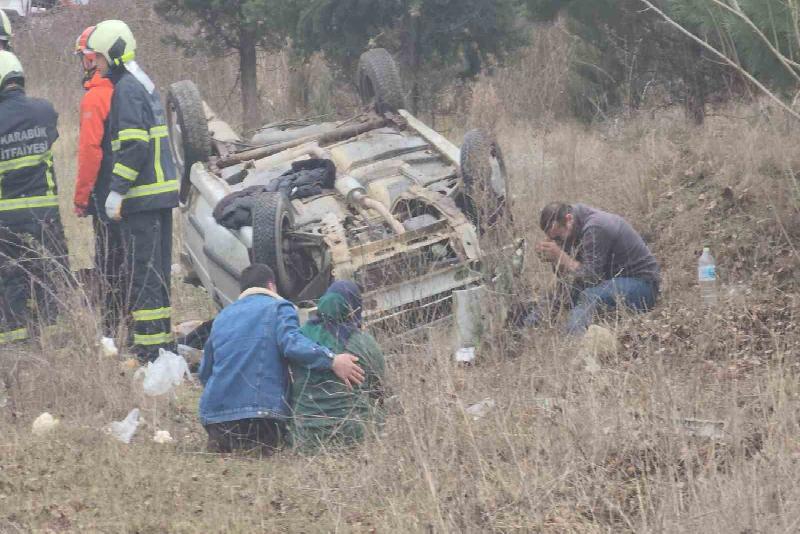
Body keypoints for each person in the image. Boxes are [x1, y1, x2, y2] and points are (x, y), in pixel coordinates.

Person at [84, 20, 179, 361]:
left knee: (145, 274)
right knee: (156, 272)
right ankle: (161, 343)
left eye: (98, 58)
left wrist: (117, 190)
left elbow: (134, 145)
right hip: (160, 194)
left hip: (142, 197)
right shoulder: (143, 83)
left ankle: (150, 350)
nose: (95, 64)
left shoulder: (125, 89)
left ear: (113, 53)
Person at [198, 264, 365, 455]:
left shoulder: (222, 317)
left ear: (242, 290)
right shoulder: (279, 307)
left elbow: (204, 372)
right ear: (271, 286)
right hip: (259, 420)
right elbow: (292, 344)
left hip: (215, 422)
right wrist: (332, 359)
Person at [0, 51, 69, 345]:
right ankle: (57, 343)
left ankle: (18, 348)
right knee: (51, 278)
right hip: (45, 214)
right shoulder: (44, 110)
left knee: (11, 283)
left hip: (7, 217)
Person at [526, 202, 660, 335]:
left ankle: (574, 340)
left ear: (568, 219)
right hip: (613, 279)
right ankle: (527, 327)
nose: (558, 240)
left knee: (589, 296)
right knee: (562, 294)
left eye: (559, 237)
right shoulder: (571, 224)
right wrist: (554, 260)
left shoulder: (596, 227)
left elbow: (591, 277)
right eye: (554, 238)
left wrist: (560, 256)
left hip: (643, 285)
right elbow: (567, 277)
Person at [290, 280, 385, 453]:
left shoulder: (300, 340)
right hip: (355, 435)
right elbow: (379, 391)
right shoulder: (363, 343)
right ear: (354, 307)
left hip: (307, 441)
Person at [73, 25, 122, 336]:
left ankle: (111, 324)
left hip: (105, 191)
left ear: (92, 58)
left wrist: (81, 198)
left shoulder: (96, 97)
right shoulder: (128, 88)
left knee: (108, 259)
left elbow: (90, 152)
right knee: (127, 256)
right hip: (129, 189)